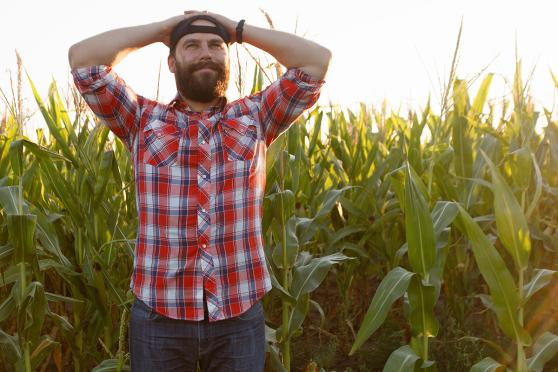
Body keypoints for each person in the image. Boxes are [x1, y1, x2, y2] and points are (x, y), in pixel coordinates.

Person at [68, 9, 330, 371]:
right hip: (160, 315)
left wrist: (238, 30)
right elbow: (83, 61)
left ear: (228, 58)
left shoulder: (256, 117)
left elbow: (316, 63)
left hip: (238, 314)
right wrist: (162, 29)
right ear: (172, 63)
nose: (206, 52)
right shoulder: (141, 120)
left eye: (216, 45)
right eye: (191, 45)